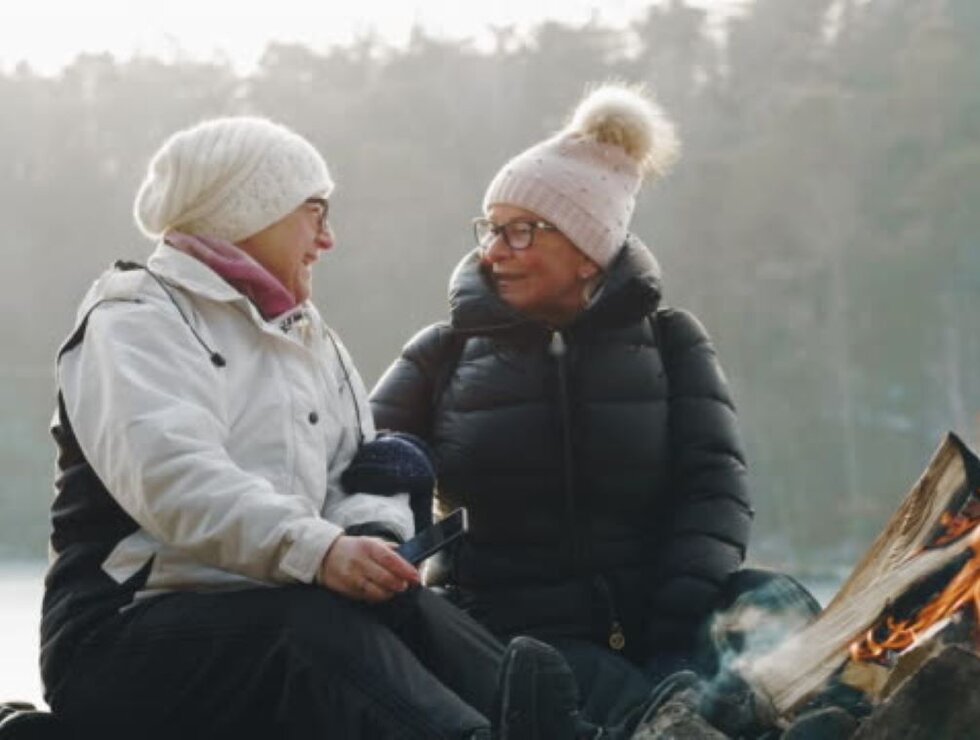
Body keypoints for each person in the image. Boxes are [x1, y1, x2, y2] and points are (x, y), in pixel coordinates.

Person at [40, 116, 595, 740]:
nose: (328, 238)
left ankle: (574, 731)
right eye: (314, 212)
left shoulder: (307, 334)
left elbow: (359, 468)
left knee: (400, 602)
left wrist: (367, 537)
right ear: (249, 211)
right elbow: (174, 479)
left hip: (268, 608)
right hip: (120, 638)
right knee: (306, 626)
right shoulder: (136, 318)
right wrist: (319, 551)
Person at [371, 84, 819, 730]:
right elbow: (361, 471)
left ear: (590, 251)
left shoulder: (672, 344)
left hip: (661, 622)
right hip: (516, 640)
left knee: (773, 604)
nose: (493, 251)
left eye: (521, 231)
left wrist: (674, 628)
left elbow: (713, 489)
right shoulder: (439, 356)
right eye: (491, 229)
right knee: (642, 696)